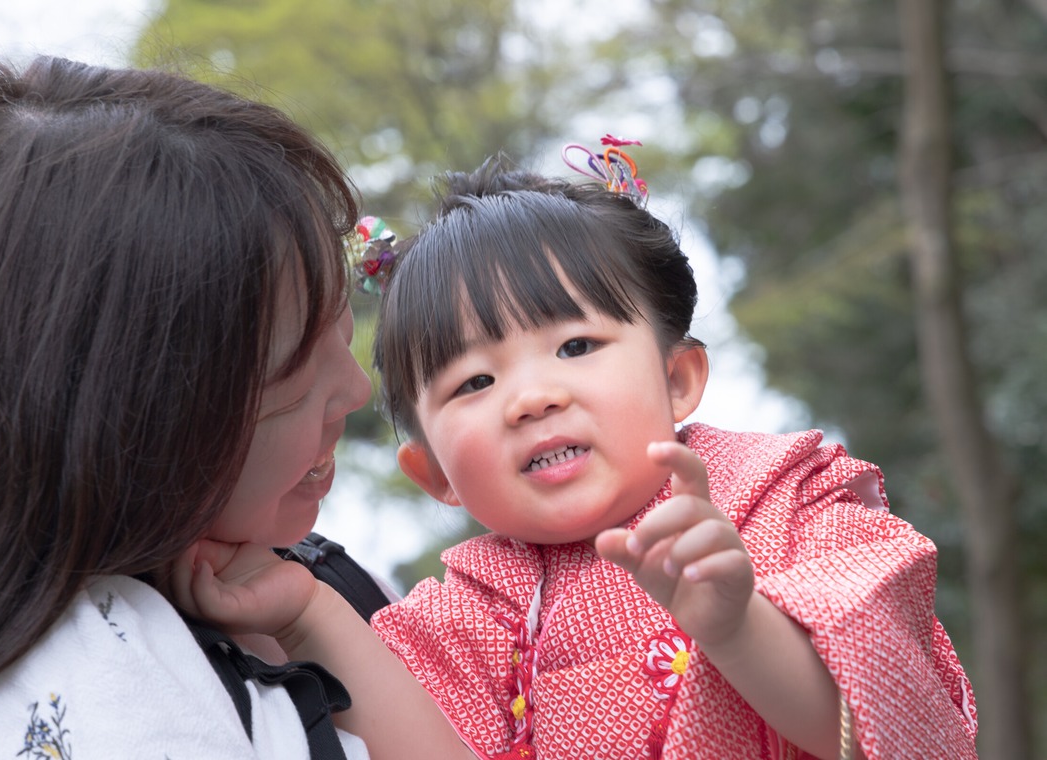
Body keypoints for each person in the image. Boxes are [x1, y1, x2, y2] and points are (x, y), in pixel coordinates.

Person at [0, 56, 469, 759]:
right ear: (126, 416)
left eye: (340, 324)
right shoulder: (94, 676)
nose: (355, 392)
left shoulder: (313, 575)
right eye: (289, 370)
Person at [365, 149, 980, 759]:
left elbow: (895, 718)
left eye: (576, 345)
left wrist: (738, 629)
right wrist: (311, 615)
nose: (532, 399)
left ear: (678, 378)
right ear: (433, 472)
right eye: (475, 382)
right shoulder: (451, 625)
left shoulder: (793, 501)